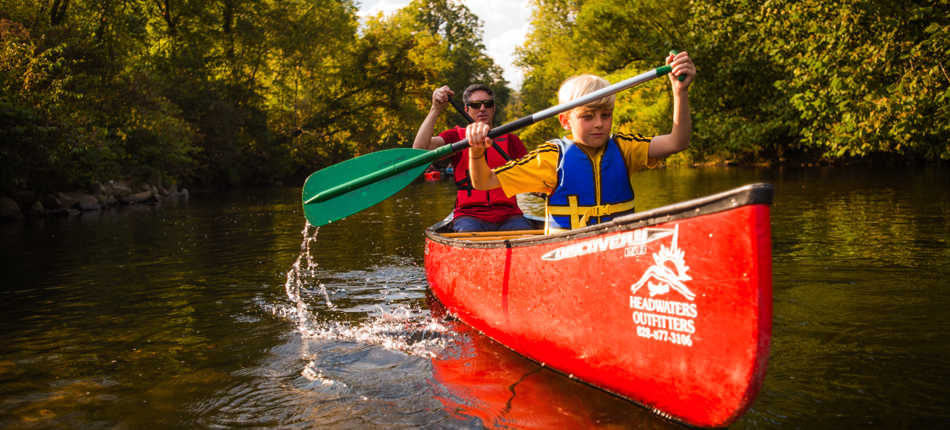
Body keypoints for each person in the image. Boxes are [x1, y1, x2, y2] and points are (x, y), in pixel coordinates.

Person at [465, 52, 696, 234]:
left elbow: (678, 142)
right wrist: (476, 151)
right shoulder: (550, 157)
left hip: (617, 247)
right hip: (564, 255)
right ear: (566, 120)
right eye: (587, 116)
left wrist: (679, 92)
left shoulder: (625, 148)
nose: (599, 124)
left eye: (606, 115)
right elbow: (483, 182)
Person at [412, 84, 535, 232]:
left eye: (487, 104)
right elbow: (419, 150)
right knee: (467, 234)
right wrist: (436, 109)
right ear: (466, 110)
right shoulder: (456, 137)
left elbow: (532, 177)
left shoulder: (512, 140)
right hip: (469, 216)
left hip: (510, 215)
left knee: (523, 234)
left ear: (493, 108)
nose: (482, 108)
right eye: (476, 105)